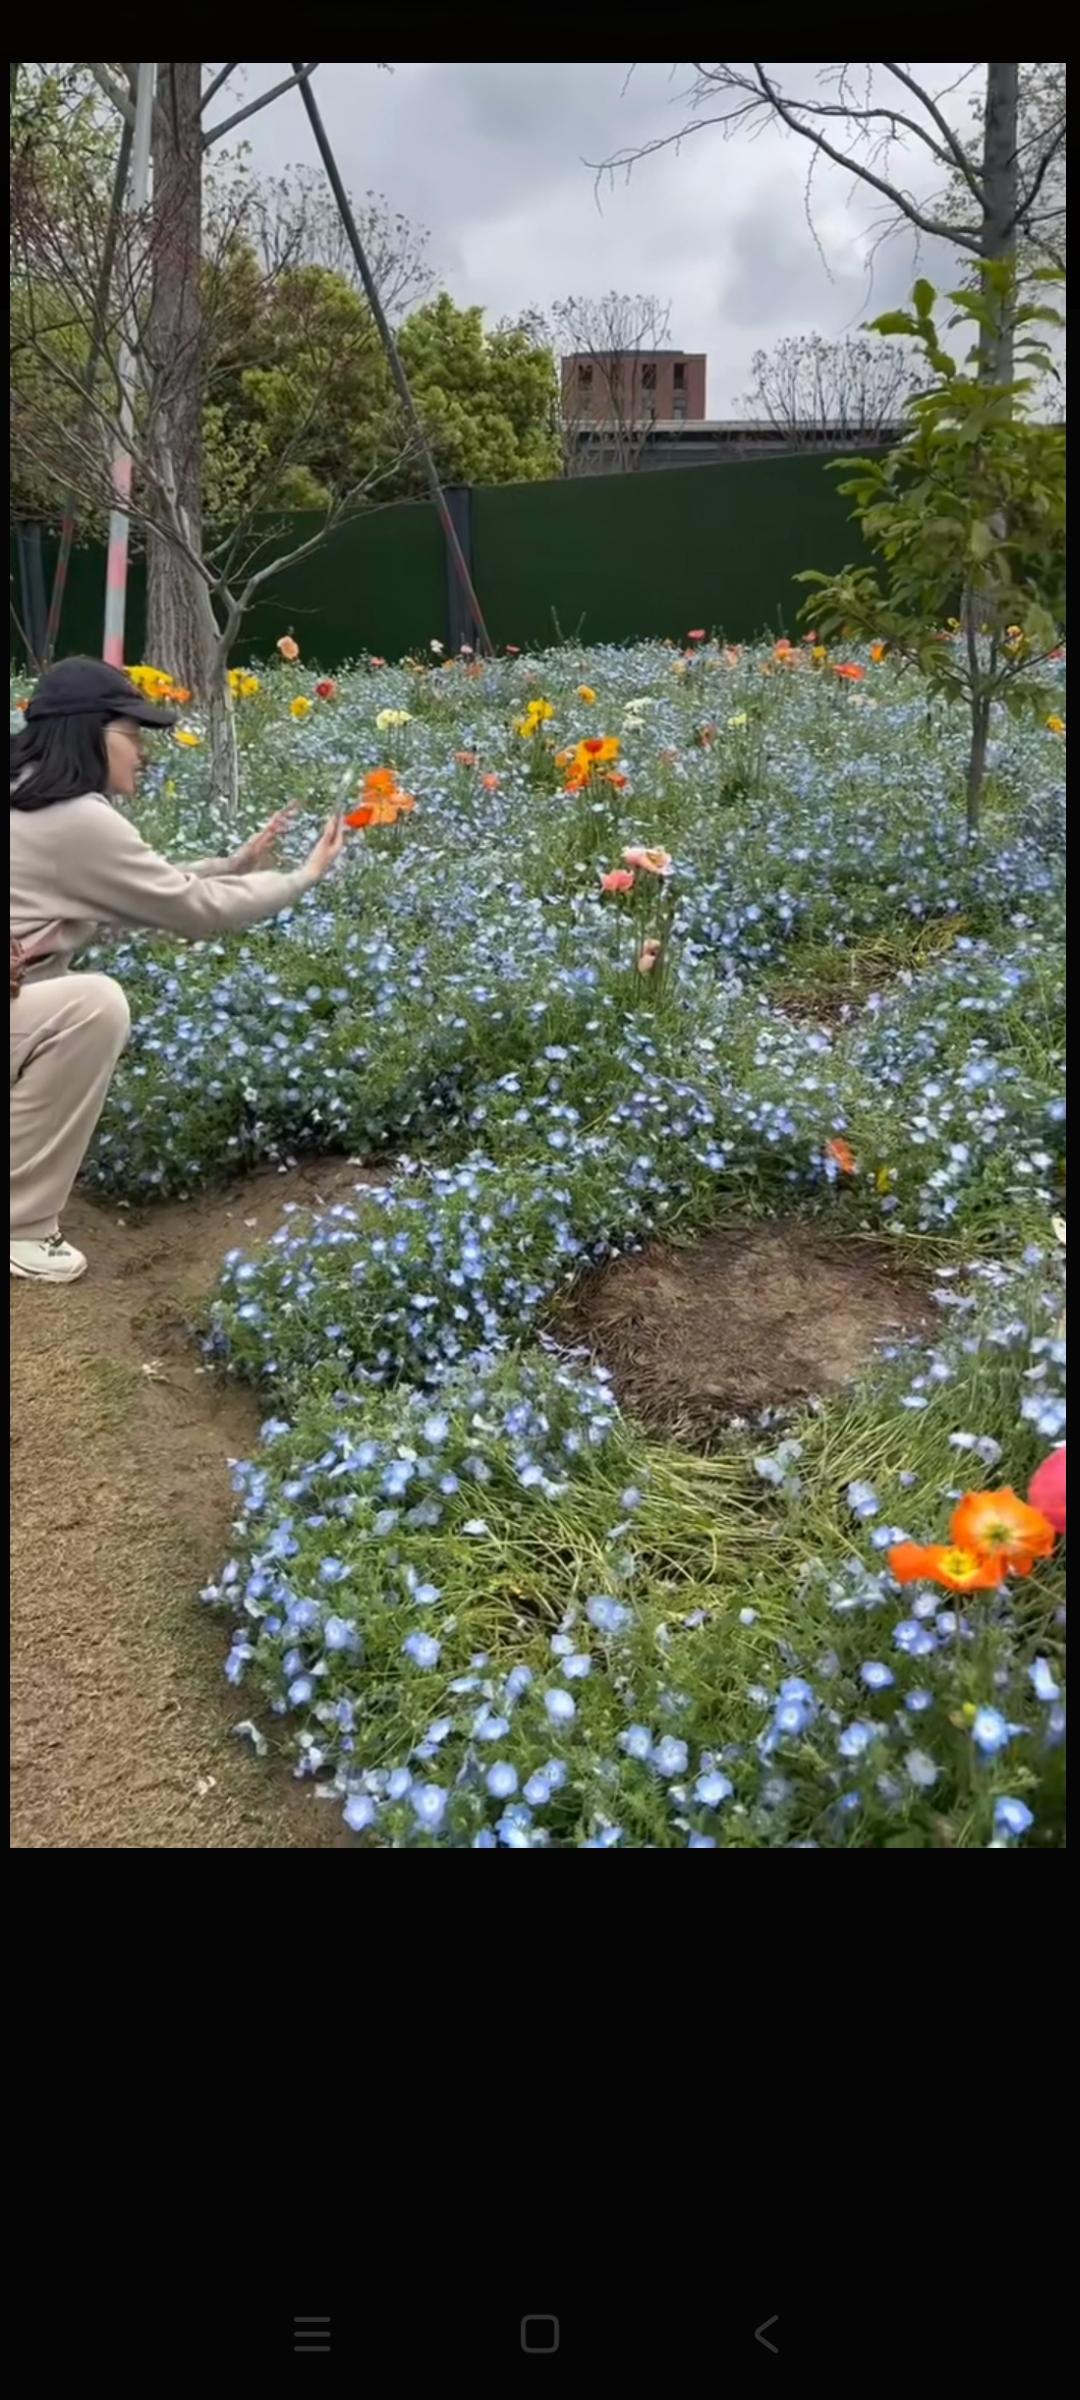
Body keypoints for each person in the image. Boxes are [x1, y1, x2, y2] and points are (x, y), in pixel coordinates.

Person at [11, 655, 345, 1284]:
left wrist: (232, 865)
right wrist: (302, 877)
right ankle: (20, 1225)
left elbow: (131, 893)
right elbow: (190, 909)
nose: (142, 752)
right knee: (92, 1007)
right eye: (131, 734)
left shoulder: (31, 796)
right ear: (91, 733)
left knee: (61, 999)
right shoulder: (74, 819)